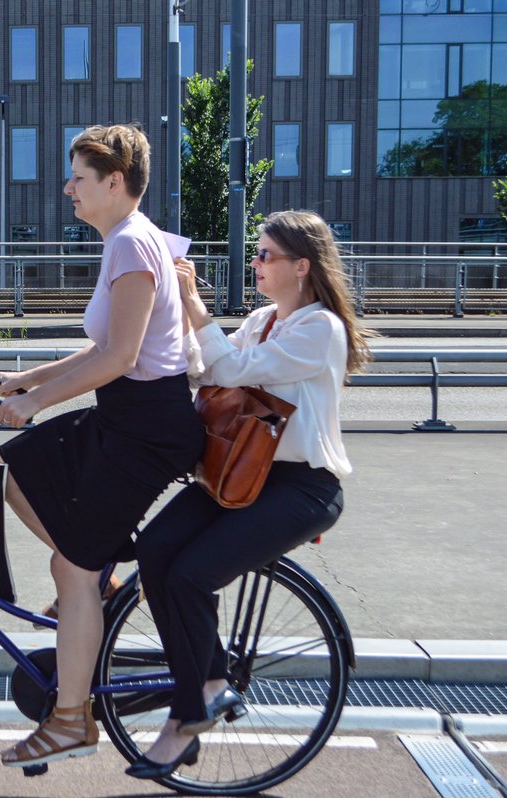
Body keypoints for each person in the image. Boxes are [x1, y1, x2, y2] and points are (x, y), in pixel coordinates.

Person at [126, 209, 374, 780]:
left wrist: (196, 308)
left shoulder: (320, 329)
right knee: (155, 549)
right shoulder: (264, 320)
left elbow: (232, 368)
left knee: (191, 575)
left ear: (301, 266)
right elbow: (208, 369)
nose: (255, 263)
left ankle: (191, 709)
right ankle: (208, 685)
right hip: (240, 473)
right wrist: (174, 328)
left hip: (301, 486)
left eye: (265, 255)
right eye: (257, 253)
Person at [0, 124, 205, 768]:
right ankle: (99, 575)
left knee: (71, 571)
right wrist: (31, 377)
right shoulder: (129, 240)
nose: (68, 188)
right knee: (17, 471)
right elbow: (103, 346)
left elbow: (121, 357)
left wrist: (35, 404)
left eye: (78, 177)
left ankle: (69, 721)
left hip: (146, 429)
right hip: (128, 418)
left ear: (114, 182)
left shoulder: (133, 245)